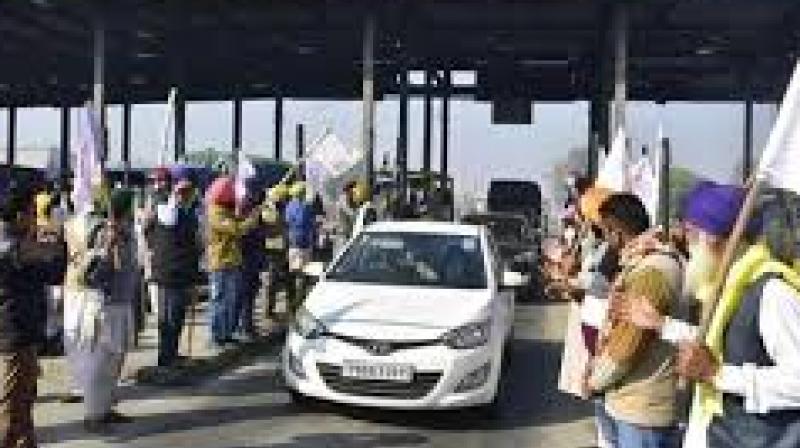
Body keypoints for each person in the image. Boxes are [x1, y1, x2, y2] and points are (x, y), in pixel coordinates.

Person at [617, 182, 800, 448]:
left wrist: (718, 374)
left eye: (690, 234)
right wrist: (661, 324)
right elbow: (724, 341)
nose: (687, 246)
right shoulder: (729, 285)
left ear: (713, 238)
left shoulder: (772, 293)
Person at [587, 193, 683, 448]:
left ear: (615, 231)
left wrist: (595, 380)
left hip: (642, 410)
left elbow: (629, 343)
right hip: (632, 403)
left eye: (605, 232)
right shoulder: (642, 263)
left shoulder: (651, 271)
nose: (605, 241)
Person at [63, 187, 134, 432]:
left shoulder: (124, 228)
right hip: (106, 304)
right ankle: (93, 414)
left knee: (115, 361)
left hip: (122, 302)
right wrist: (108, 246)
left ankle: (105, 408)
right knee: (100, 361)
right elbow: (95, 272)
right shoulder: (103, 230)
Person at [0, 183, 65, 448]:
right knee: (13, 403)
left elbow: (51, 273)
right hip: (15, 332)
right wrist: (59, 239)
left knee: (24, 400)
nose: (34, 219)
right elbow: (52, 266)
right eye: (30, 213)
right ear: (18, 216)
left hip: (23, 330)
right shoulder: (11, 246)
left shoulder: (16, 242)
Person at [146, 180, 201, 366]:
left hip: (165, 271)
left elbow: (149, 236)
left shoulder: (158, 216)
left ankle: (168, 354)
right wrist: (195, 275)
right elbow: (192, 248)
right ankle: (167, 356)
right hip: (176, 272)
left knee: (169, 317)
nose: (184, 197)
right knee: (172, 317)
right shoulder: (185, 217)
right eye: (183, 193)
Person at [206, 176, 259, 349]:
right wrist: (252, 219)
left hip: (232, 261)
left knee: (231, 300)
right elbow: (236, 229)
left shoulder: (225, 210)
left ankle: (227, 334)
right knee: (219, 300)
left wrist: (250, 214)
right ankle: (217, 336)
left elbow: (237, 222)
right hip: (220, 263)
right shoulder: (215, 212)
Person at [284, 182, 316, 314]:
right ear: (302, 193)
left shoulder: (289, 206)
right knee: (303, 274)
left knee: (292, 273)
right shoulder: (306, 207)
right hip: (303, 243)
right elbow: (309, 224)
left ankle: (290, 301)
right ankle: (299, 302)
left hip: (291, 243)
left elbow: (287, 222)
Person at [261, 184, 289, 320]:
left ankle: (272, 309)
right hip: (271, 249)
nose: (285, 199)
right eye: (283, 197)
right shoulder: (268, 210)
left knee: (277, 281)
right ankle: (268, 311)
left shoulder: (280, 208)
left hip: (281, 248)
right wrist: (281, 224)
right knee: (271, 282)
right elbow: (270, 229)